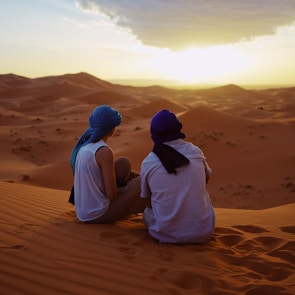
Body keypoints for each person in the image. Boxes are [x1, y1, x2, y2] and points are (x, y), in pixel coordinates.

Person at [140, 109, 215, 244]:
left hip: (165, 235)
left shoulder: (149, 162)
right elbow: (207, 178)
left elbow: (147, 202)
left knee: (146, 213)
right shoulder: (195, 152)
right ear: (177, 128)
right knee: (204, 193)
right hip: (203, 234)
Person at [69, 105, 145, 223]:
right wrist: (130, 188)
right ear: (111, 129)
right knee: (144, 181)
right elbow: (111, 194)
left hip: (83, 212)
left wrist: (133, 178)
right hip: (97, 213)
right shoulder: (104, 152)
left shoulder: (84, 146)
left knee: (123, 164)